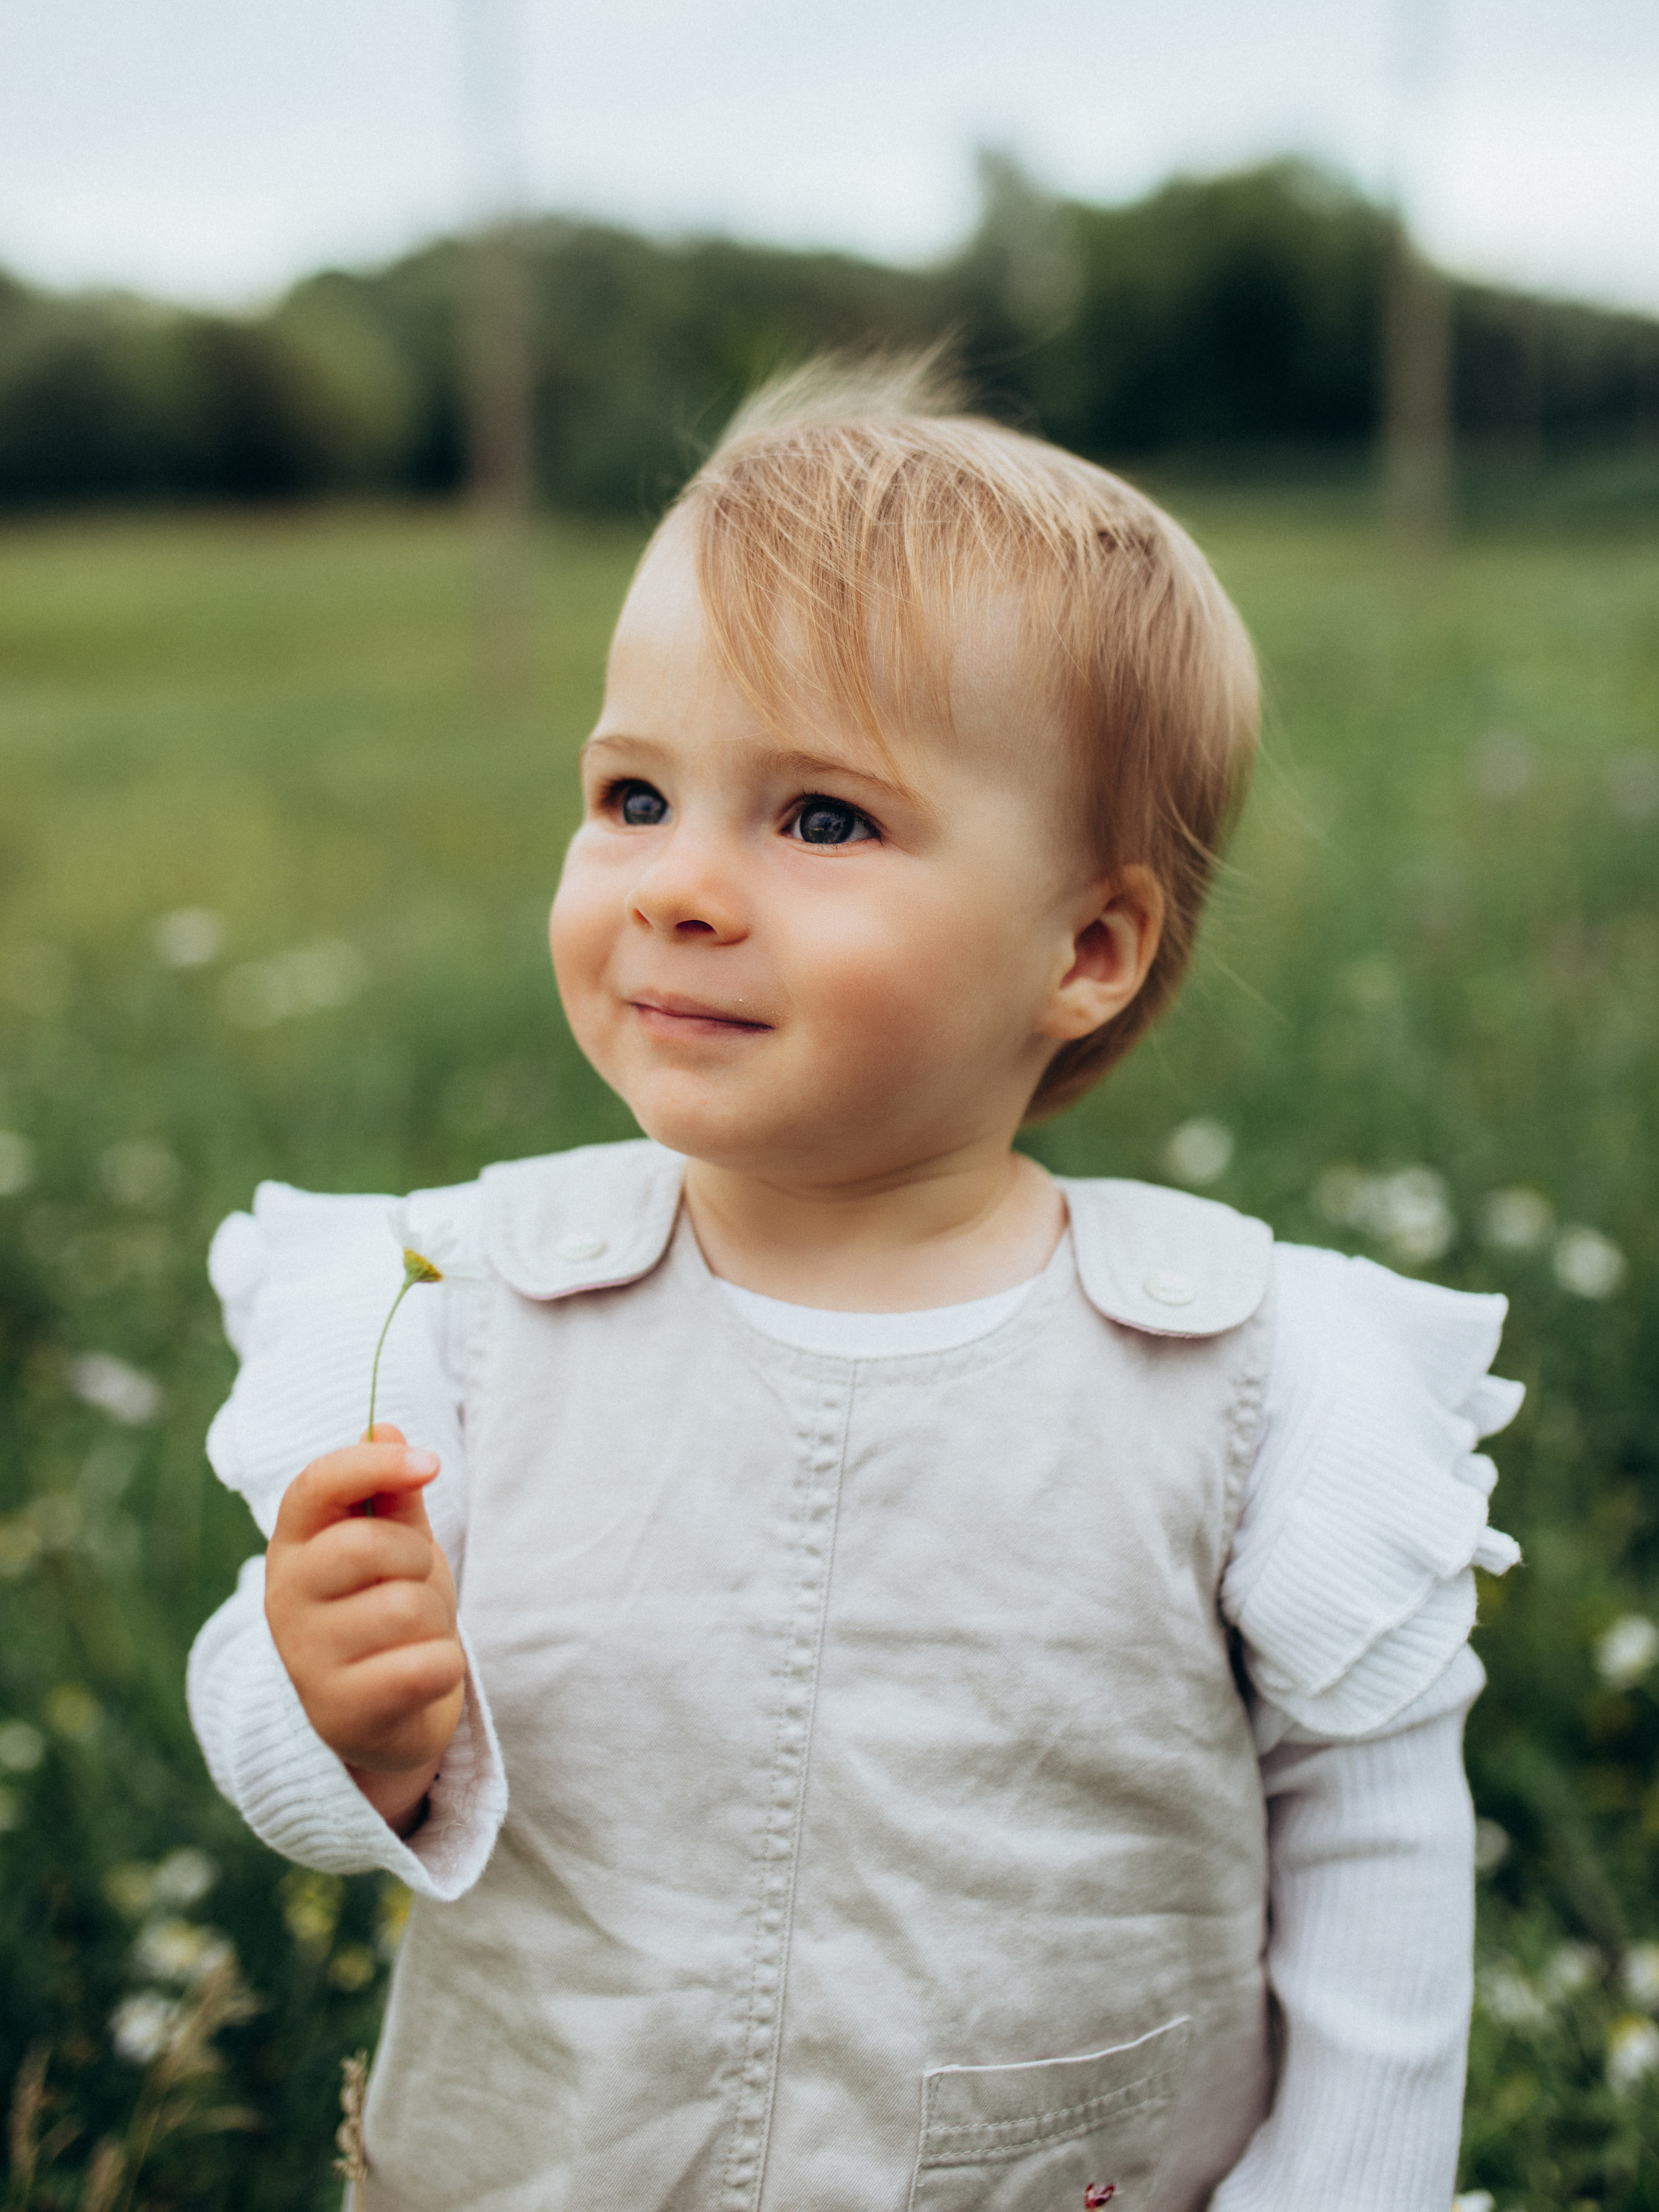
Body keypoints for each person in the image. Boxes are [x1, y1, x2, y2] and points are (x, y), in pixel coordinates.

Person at [188, 362, 1522, 2212]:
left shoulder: (1253, 1372)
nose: (680, 888)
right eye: (634, 795)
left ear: (1088, 946)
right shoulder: (456, 1301)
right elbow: (295, 1753)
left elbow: (1375, 1841)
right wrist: (323, 1707)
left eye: (818, 822)